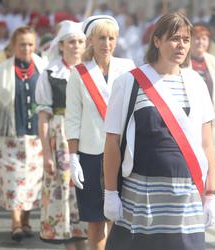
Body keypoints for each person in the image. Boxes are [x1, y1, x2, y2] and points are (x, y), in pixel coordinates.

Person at [103, 12, 215, 250]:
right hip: (141, 195)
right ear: (157, 41)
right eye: (174, 38)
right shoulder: (128, 82)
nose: (182, 45)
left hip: (187, 194)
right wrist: (110, 192)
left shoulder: (196, 83)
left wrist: (211, 193)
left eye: (186, 40)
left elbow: (207, 144)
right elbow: (112, 141)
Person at [65, 15, 135, 250]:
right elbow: (73, 118)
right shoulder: (79, 73)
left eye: (111, 38)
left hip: (122, 153)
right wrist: (73, 158)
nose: (107, 43)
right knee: (95, 220)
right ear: (91, 40)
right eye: (102, 38)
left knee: (119, 218)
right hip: (90, 155)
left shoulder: (128, 68)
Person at [35, 21, 88, 249]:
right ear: (61, 45)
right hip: (61, 137)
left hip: (88, 135)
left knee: (86, 189)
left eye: (80, 42)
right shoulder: (50, 72)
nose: (76, 46)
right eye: (71, 42)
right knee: (64, 189)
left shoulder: (92, 71)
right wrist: (46, 152)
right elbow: (43, 117)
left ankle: (87, 241)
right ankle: (69, 242)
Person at [0, 26, 46, 241]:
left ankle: (25, 221)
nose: (26, 48)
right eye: (22, 44)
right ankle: (16, 223)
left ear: (35, 46)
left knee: (32, 182)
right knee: (14, 182)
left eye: (30, 44)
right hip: (8, 137)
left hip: (37, 136)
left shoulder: (44, 69)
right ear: (13, 46)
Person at [190, 22, 215, 162]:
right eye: (197, 38)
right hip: (190, 114)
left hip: (212, 114)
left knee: (212, 155)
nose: (200, 42)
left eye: (204, 38)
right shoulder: (182, 61)